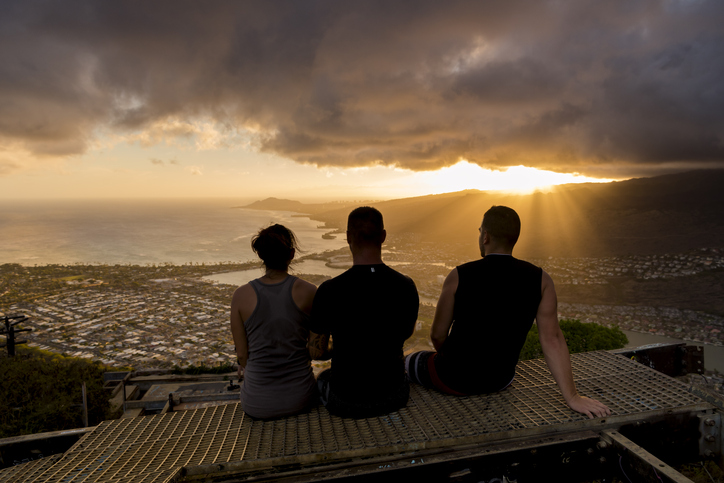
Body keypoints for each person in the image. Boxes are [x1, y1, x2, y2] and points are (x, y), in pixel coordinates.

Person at [405, 206, 610, 419]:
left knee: (410, 360)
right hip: (500, 380)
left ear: (485, 236)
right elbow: (552, 339)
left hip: (452, 379)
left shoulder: (459, 275)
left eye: (479, 232)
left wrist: (452, 360)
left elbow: (437, 335)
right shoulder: (541, 280)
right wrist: (573, 397)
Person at [308, 207, 419, 418]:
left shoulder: (330, 290)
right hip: (394, 395)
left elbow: (316, 352)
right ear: (383, 236)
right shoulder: (406, 285)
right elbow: (406, 333)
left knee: (323, 376)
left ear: (348, 237)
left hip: (346, 400)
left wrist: (344, 345)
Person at [229, 224, 318, 419]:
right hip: (302, 398)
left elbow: (242, 355)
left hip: (257, 403)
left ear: (261, 256)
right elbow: (315, 350)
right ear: (292, 254)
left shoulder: (241, 296)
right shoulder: (310, 292)